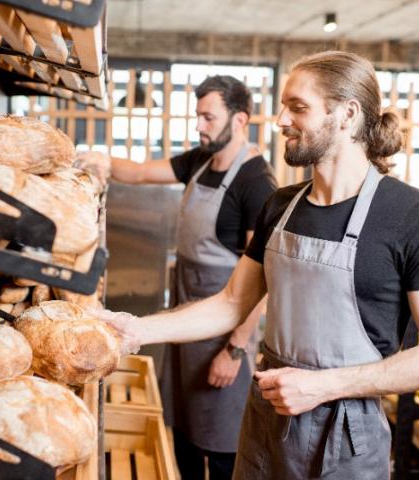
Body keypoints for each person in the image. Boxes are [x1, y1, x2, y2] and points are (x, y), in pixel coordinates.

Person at [94, 51, 419, 479]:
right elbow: (233, 303)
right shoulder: (280, 207)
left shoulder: (416, 218)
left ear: (346, 114)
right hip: (265, 424)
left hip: (345, 438)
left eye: (298, 107)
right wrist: (138, 329)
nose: (280, 120)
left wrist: (324, 386)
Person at [77, 75, 277, 479]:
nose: (199, 126)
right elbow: (139, 174)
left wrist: (234, 351)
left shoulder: (256, 183)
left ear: (240, 120)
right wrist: (100, 162)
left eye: (208, 117)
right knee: (183, 432)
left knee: (220, 444)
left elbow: (264, 284)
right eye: (197, 116)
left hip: (223, 334)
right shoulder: (200, 160)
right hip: (187, 321)